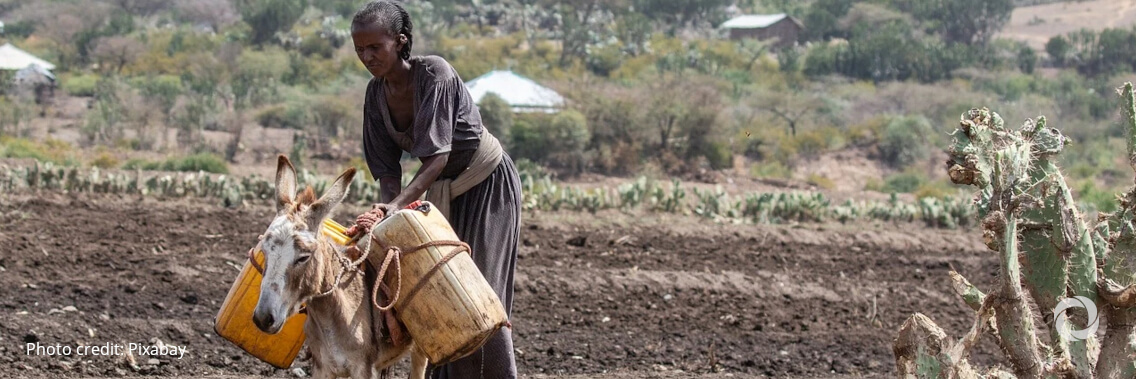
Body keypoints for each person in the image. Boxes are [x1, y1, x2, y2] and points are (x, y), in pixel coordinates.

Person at [349, 1, 521, 378]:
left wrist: (397, 206)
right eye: (360, 49)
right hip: (439, 191)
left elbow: (437, 157)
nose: (366, 56)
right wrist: (386, 211)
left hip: (485, 182)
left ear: (401, 41)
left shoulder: (435, 75)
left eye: (375, 47)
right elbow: (387, 171)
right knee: (436, 287)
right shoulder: (375, 95)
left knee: (478, 294)